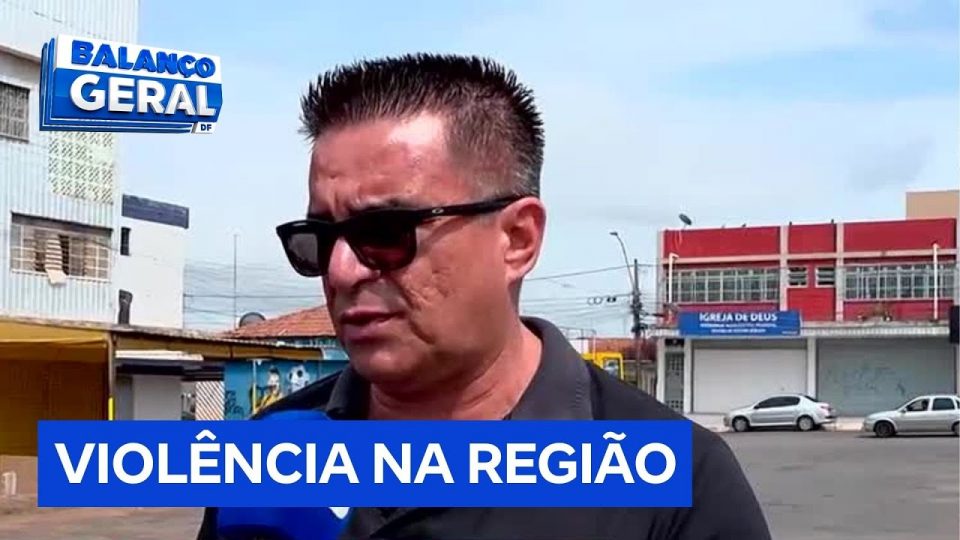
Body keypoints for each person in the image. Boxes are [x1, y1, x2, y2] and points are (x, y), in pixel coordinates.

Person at [197, 53, 771, 540]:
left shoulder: (680, 485)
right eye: (319, 239)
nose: (341, 271)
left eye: (385, 232)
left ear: (517, 240)